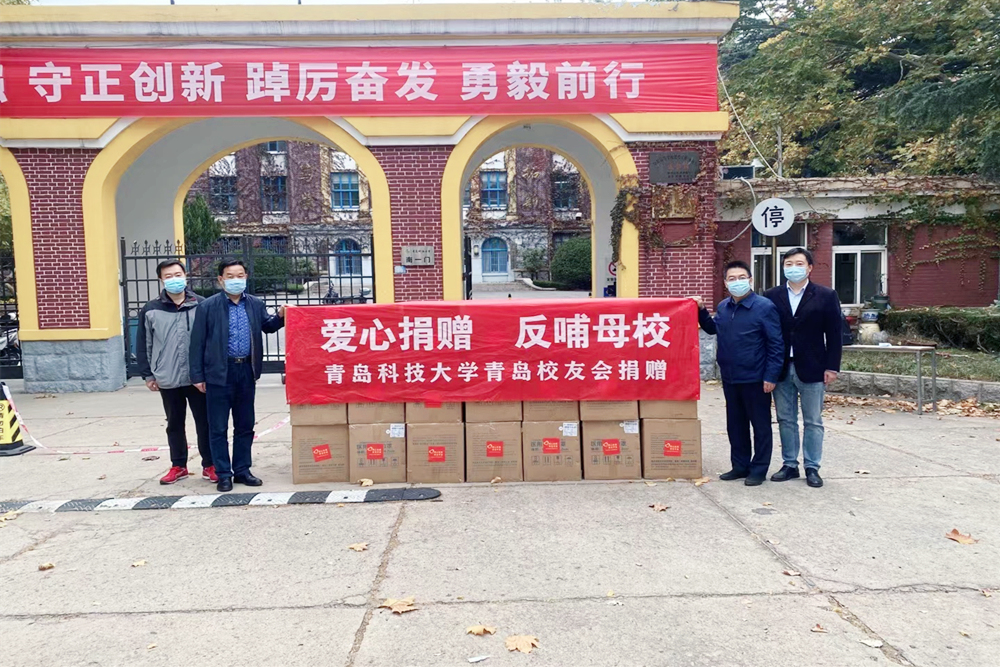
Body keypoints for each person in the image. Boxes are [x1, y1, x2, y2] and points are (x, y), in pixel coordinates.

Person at [190, 260, 285, 493]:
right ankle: (224, 474)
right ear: (221, 279)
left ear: (246, 277)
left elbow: (268, 326)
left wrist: (281, 316)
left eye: (240, 275)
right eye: (230, 276)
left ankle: (242, 470)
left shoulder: (254, 304)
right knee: (218, 427)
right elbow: (197, 343)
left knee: (245, 425)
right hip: (218, 372)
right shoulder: (207, 307)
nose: (236, 280)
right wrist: (197, 375)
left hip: (246, 371)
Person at [691, 261, 784, 486]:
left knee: (760, 426)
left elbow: (776, 344)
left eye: (741, 277)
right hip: (731, 377)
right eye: (732, 279)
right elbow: (713, 328)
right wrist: (701, 310)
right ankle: (740, 466)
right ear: (725, 283)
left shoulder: (764, 307)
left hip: (756, 377)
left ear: (750, 280)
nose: (737, 282)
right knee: (736, 424)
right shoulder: (724, 306)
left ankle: (759, 469)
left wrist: (771, 375)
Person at [764, 247, 843, 488]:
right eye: (788, 264)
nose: (793, 268)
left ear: (809, 268)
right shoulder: (771, 295)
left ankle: (812, 466)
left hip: (813, 366)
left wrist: (832, 367)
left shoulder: (826, 295)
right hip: (781, 367)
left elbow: (835, 334)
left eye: (799, 263)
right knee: (785, 419)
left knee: (813, 420)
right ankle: (789, 464)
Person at [135, 260, 214, 484]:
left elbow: (211, 340)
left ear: (185, 275)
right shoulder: (151, 309)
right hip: (167, 377)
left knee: (205, 422)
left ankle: (210, 464)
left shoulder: (202, 304)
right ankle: (178, 465)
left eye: (177, 274)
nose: (174, 279)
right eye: (168, 276)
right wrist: (148, 374)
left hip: (197, 377)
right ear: (161, 280)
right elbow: (144, 344)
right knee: (174, 423)